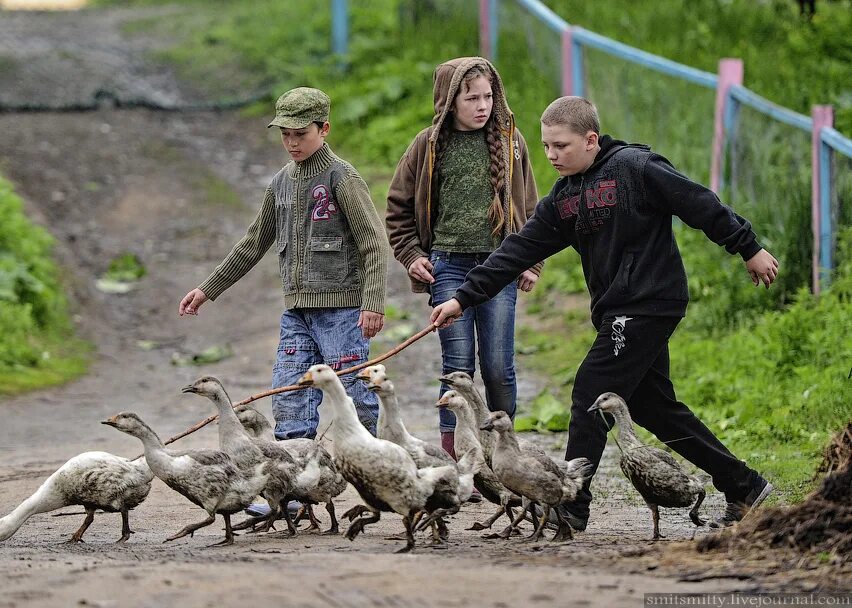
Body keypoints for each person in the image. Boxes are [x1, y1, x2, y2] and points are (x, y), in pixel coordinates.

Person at [430, 96, 779, 530]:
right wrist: (462, 298)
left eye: (561, 146)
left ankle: (570, 506)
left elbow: (700, 203)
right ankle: (744, 484)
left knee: (591, 392)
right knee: (652, 407)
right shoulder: (565, 198)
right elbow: (516, 250)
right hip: (619, 310)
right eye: (546, 147)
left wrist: (748, 247)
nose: (552, 156)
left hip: (648, 302)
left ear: (591, 140)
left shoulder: (637, 168)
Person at [179, 87, 389, 444]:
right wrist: (207, 289)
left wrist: (372, 303)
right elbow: (253, 243)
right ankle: (293, 482)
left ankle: (369, 466)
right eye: (285, 135)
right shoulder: (280, 184)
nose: (292, 143)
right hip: (297, 315)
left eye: (300, 135)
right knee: (289, 394)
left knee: (354, 397)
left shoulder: (343, 179)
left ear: (324, 129)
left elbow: (374, 243)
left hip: (343, 312)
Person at [385, 57, 542, 462]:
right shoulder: (428, 146)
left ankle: (503, 453)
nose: (482, 105)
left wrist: (530, 260)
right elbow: (398, 208)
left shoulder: (511, 142)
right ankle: (459, 458)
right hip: (448, 266)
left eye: (488, 96)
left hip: (500, 267)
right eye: (472, 97)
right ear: (449, 101)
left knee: (497, 366)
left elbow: (531, 207)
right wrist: (411, 255)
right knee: (457, 365)